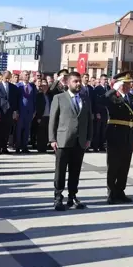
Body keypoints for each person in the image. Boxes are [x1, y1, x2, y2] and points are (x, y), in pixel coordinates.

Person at [48, 72, 93, 211]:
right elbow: (53, 120)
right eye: (75, 81)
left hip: (80, 141)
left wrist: (89, 138)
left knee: (75, 171)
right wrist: (52, 139)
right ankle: (58, 197)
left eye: (79, 81)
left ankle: (72, 196)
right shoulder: (59, 98)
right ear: (68, 83)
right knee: (60, 171)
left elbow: (89, 120)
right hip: (63, 141)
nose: (78, 84)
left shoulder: (85, 99)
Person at [104, 71, 133, 204]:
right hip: (115, 134)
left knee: (125, 165)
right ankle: (111, 192)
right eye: (126, 84)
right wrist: (113, 89)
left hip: (128, 134)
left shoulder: (131, 97)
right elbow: (104, 100)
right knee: (113, 165)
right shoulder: (113, 96)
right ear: (120, 84)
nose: (129, 86)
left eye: (130, 84)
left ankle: (120, 190)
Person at [0, 71, 20, 154]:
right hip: (1, 111)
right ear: (2, 77)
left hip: (10, 111)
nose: (7, 79)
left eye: (9, 78)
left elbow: (15, 100)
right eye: (6, 78)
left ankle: (4, 147)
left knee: (7, 130)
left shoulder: (13, 87)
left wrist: (15, 111)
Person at [92, 74, 110, 152]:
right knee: (98, 130)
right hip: (99, 111)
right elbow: (95, 101)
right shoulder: (97, 89)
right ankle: (95, 146)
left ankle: (102, 145)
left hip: (105, 112)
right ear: (101, 80)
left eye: (106, 79)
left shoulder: (108, 88)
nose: (105, 81)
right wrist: (97, 112)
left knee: (104, 129)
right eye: (104, 79)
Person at [34, 79, 51, 153]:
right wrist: (38, 117)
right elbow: (37, 107)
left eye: (46, 85)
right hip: (41, 117)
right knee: (41, 133)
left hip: (49, 117)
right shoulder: (38, 95)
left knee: (47, 132)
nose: (45, 87)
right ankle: (40, 148)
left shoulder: (50, 95)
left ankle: (45, 147)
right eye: (43, 86)